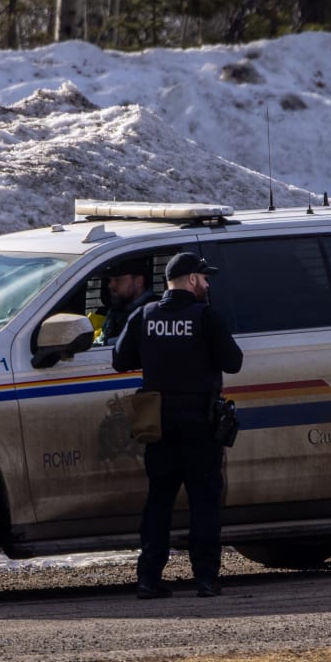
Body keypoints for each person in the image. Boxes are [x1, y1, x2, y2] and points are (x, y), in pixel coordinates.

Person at [111, 252, 244, 599]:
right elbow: (234, 362)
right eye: (203, 278)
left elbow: (120, 360)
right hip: (200, 422)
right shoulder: (205, 317)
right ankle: (205, 578)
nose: (208, 283)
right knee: (204, 501)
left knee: (159, 500)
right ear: (190, 280)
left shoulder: (145, 314)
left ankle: (148, 579)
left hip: (158, 423)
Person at [95, 258, 158, 343]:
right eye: (110, 280)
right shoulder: (116, 310)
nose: (110, 285)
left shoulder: (154, 312)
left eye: (118, 280)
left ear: (139, 281)